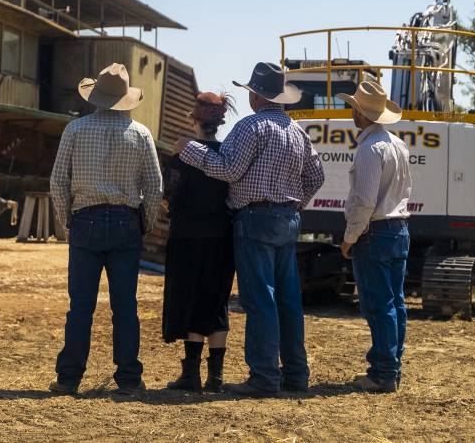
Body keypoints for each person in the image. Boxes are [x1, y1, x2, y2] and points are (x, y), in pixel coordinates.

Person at [175, 62, 324, 397]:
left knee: (260, 300)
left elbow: (228, 169)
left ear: (256, 95)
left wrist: (190, 149)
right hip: (287, 219)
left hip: (254, 218)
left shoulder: (250, 127)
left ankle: (264, 377)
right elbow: (316, 177)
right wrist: (294, 202)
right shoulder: (297, 131)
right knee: (287, 300)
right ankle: (296, 375)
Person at [48, 63, 162, 396]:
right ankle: (128, 378)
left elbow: (57, 182)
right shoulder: (140, 134)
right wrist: (146, 223)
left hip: (86, 218)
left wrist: (67, 219)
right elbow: (154, 187)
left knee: (80, 306)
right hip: (126, 221)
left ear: (95, 96)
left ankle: (69, 379)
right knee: (125, 306)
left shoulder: (75, 129)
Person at [338, 81, 412, 394]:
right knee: (395, 302)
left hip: (376, 232)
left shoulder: (370, 149)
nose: (351, 112)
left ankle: (383, 372)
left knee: (378, 305)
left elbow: (365, 201)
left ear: (363, 114)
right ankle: (391, 365)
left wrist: (350, 237)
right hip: (398, 229)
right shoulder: (397, 144)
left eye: (355, 107)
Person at [162, 91, 237, 393]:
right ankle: (215, 378)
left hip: (187, 235)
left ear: (193, 119)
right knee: (216, 302)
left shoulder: (183, 155)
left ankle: (190, 375)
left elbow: (169, 197)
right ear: (219, 123)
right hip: (222, 236)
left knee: (191, 299)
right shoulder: (227, 155)